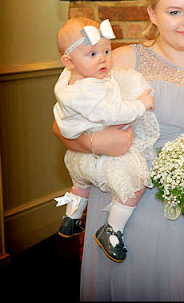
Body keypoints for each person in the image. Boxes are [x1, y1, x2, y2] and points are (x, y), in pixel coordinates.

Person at [53, 0, 184, 301]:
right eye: (174, 12)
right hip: (133, 212)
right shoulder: (123, 61)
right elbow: (63, 124)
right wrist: (96, 142)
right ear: (152, 14)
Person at [53, 17, 158, 263]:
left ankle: (71, 219)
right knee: (137, 181)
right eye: (92, 54)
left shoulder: (68, 79)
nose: (102, 58)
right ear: (69, 62)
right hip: (100, 152)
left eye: (106, 51)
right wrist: (140, 104)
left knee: (81, 185)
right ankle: (112, 230)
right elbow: (114, 113)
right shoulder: (87, 92)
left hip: (77, 156)